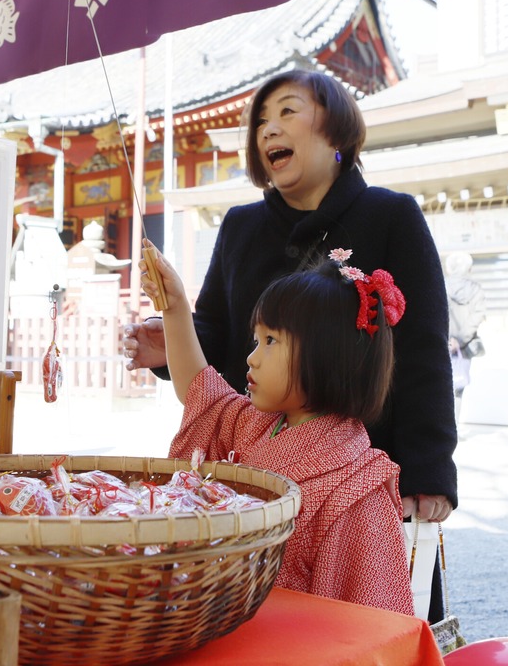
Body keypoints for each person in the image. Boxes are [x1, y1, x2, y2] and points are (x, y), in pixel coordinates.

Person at [123, 70, 456, 620]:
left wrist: (428, 468)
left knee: (375, 606)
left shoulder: (391, 216)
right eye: (259, 120)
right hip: (259, 449)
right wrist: (173, 339)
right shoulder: (240, 226)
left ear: (336, 130)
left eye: (286, 111)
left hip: (365, 461)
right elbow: (216, 337)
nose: (267, 128)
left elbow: (422, 349)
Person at [140, 243, 414, 614]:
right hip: (219, 623)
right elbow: (200, 391)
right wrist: (174, 308)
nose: (252, 357)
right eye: (257, 340)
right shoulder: (254, 424)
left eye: (271, 341)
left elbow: (373, 616)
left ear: (327, 357)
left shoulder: (357, 488)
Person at [444, 251, 486, 397]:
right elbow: (478, 315)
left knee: (442, 387)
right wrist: (459, 340)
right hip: (464, 347)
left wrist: (448, 339)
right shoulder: (475, 289)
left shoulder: (441, 286)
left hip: (442, 345)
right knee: (459, 387)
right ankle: (456, 419)